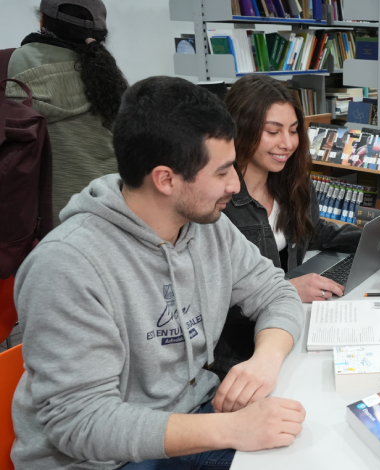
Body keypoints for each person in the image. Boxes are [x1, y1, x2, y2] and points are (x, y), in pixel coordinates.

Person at [11, 76, 306, 470]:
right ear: (165, 179)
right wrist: (233, 429)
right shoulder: (67, 266)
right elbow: (82, 424)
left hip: (190, 419)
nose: (235, 186)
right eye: (221, 173)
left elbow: (276, 292)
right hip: (103, 459)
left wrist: (265, 359)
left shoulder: (208, 227)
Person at [212, 74, 361, 376]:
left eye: (294, 131)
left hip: (292, 330)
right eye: (273, 131)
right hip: (241, 356)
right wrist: (286, 290)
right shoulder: (216, 203)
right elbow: (207, 299)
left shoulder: (292, 183)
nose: (288, 143)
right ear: (241, 130)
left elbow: (311, 229)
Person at [7, 0, 128, 226]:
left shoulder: (9, 68)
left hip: (43, 225)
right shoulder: (113, 81)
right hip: (112, 218)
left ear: (43, 21)